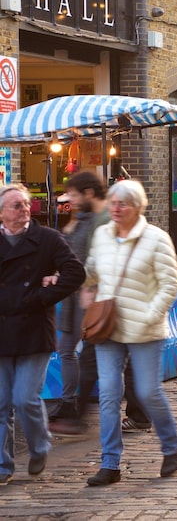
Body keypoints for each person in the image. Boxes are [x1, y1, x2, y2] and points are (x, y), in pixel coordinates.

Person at [83, 180, 177, 486]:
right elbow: (92, 271)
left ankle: (171, 446)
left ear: (137, 207)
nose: (115, 209)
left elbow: (170, 283)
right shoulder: (101, 235)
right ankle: (110, 463)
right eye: (113, 203)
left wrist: (151, 315)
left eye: (122, 204)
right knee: (109, 394)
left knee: (147, 392)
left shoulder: (155, 238)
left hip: (145, 330)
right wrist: (75, 278)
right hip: (109, 328)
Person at [0, 184, 85, 486]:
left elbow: (76, 272)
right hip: (2, 331)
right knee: (1, 402)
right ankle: (2, 466)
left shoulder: (47, 239)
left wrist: (43, 296)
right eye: (15, 205)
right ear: (1, 213)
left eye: (26, 204)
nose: (23, 209)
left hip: (33, 330)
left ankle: (39, 447)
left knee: (25, 398)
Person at [49, 172, 108, 435]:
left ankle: (76, 410)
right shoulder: (79, 219)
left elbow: (95, 260)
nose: (68, 199)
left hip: (89, 297)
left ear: (88, 193)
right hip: (73, 296)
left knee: (90, 355)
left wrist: (92, 286)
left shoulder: (100, 221)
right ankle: (69, 402)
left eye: (73, 194)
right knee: (67, 350)